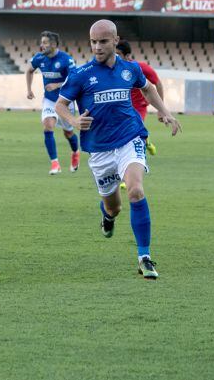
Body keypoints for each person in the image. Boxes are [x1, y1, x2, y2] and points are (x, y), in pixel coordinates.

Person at [55, 19, 182, 280]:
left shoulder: (131, 69)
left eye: (103, 41)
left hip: (129, 138)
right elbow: (60, 106)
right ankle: (108, 217)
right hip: (99, 149)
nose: (97, 47)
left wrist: (165, 113)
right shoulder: (81, 74)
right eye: (93, 42)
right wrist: (74, 121)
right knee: (114, 207)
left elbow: (148, 89)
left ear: (115, 40)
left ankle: (144, 257)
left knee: (135, 190)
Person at [26, 31, 80, 175]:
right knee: (48, 126)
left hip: (65, 101)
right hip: (49, 100)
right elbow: (29, 71)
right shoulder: (39, 58)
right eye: (41, 42)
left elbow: (74, 79)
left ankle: (75, 152)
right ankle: (55, 164)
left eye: (45, 43)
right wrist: (29, 89)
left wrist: (57, 85)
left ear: (54, 44)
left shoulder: (66, 59)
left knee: (68, 133)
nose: (41, 45)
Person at [115, 40, 163, 156]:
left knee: (133, 131)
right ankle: (146, 141)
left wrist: (161, 110)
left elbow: (158, 83)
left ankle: (140, 151)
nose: (115, 56)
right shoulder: (113, 69)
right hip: (122, 106)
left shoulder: (140, 68)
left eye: (118, 54)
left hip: (138, 107)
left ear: (127, 56)